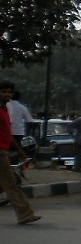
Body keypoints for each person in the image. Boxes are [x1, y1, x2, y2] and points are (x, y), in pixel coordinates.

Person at [0, 81, 41, 225]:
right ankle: (25, 214)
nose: (7, 94)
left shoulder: (5, 110)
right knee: (10, 184)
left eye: (9, 92)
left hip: (4, 149)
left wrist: (19, 150)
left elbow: (7, 134)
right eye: (4, 91)